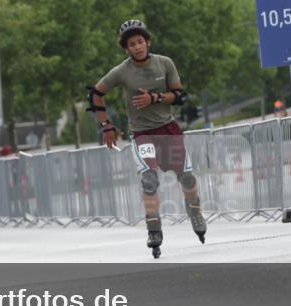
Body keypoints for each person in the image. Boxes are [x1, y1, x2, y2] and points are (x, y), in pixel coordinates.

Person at [88, 19, 207, 258]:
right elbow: (96, 94)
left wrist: (154, 98)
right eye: (131, 44)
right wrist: (106, 126)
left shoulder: (165, 63)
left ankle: (194, 211)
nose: (137, 47)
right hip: (143, 135)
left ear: (148, 42)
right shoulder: (122, 71)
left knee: (187, 179)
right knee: (149, 180)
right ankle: (153, 228)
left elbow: (180, 96)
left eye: (140, 41)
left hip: (169, 130)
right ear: (126, 48)